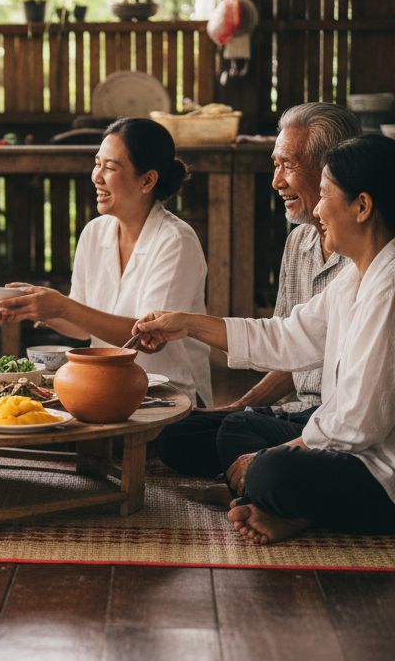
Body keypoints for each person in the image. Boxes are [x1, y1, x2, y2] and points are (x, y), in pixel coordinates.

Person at [133, 135, 395, 544]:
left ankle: (287, 506)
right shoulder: (360, 274)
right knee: (214, 432)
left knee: (272, 472)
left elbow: (361, 421)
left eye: (326, 194)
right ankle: (287, 506)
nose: (319, 208)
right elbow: (287, 336)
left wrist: (274, 455)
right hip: (356, 450)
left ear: (362, 207)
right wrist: (187, 324)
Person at [154, 102, 361, 475]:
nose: (276, 181)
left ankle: (266, 472)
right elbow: (286, 346)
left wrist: (241, 417)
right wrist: (237, 405)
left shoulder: (372, 255)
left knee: (239, 433)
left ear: (332, 169)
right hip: (295, 413)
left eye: (288, 165)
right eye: (275, 164)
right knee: (175, 435)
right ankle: (262, 467)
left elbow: (363, 407)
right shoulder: (299, 244)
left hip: (344, 420)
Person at [0, 117, 211, 405]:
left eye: (110, 167)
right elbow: (82, 326)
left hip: (170, 396)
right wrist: (36, 307)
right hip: (105, 389)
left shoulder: (176, 240)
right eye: (97, 163)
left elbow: (149, 340)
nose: (97, 176)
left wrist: (61, 305)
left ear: (147, 180)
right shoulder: (95, 232)